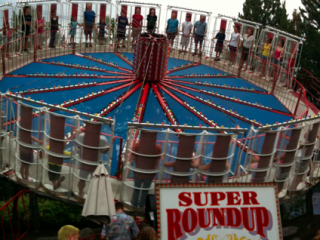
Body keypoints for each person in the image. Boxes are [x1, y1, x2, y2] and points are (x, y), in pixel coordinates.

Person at [76, 130, 113, 198]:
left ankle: (80, 193)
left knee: (82, 179)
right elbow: (104, 151)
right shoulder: (102, 139)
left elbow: (78, 147)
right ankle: (93, 196)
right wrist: (111, 143)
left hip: (85, 162)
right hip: (96, 164)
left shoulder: (82, 136)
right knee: (96, 181)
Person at [130, 139, 162, 208]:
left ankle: (134, 203)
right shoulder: (158, 148)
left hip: (138, 171)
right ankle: (142, 204)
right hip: (150, 172)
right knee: (145, 190)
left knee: (136, 188)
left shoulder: (138, 145)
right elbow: (156, 161)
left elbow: (133, 157)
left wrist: (138, 165)